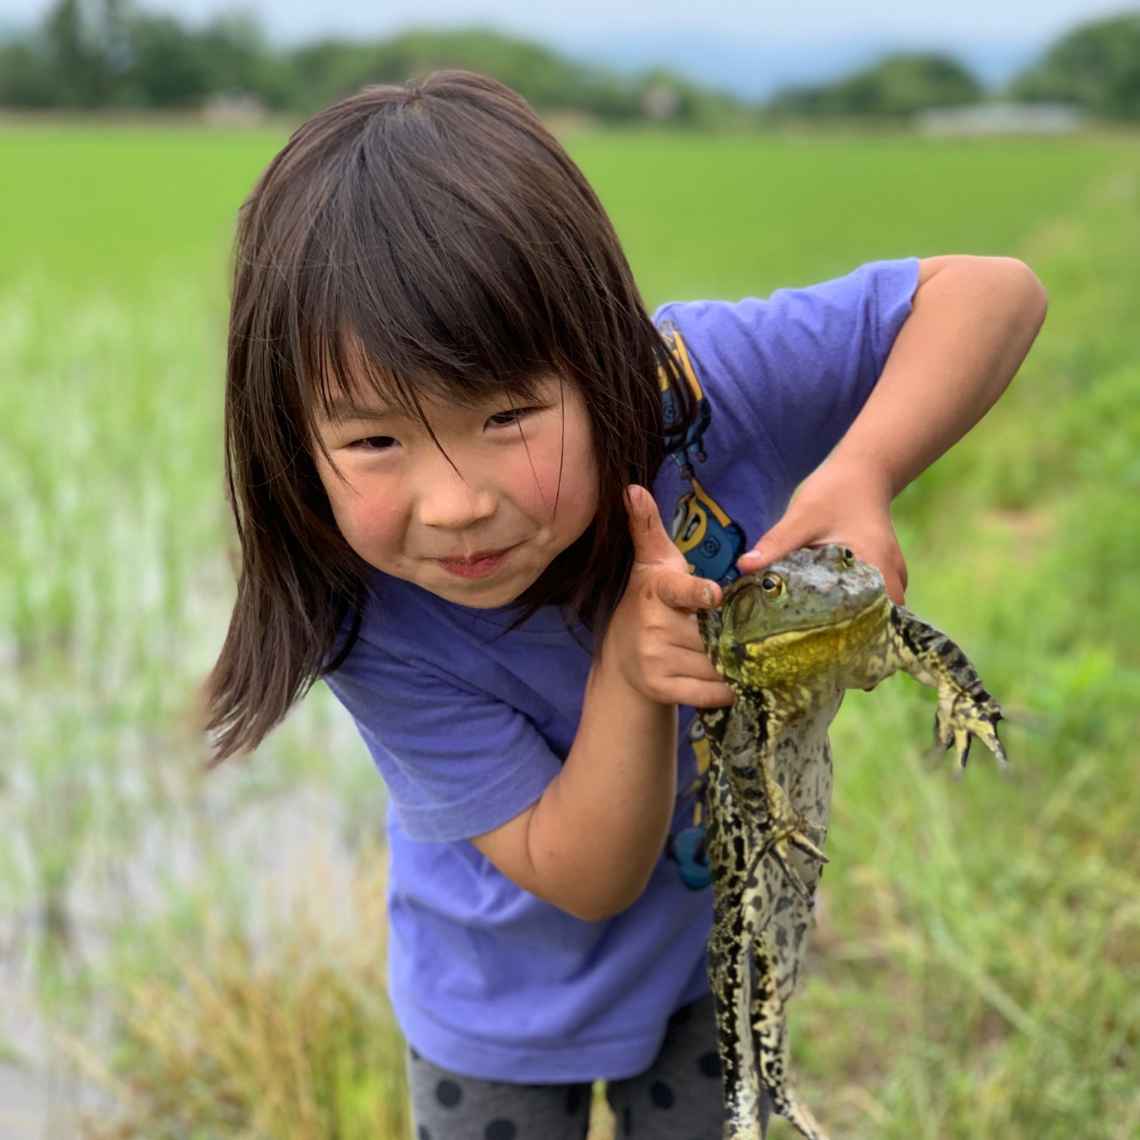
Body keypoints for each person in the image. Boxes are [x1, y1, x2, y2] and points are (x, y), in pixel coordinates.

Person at [204, 69, 1047, 1140]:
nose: (457, 504)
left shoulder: (695, 389)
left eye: (508, 415)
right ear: (291, 442)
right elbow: (585, 874)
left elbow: (996, 294)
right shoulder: (364, 614)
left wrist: (862, 471)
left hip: (710, 959)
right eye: (375, 439)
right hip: (496, 1014)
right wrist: (628, 668)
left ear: (605, 358)